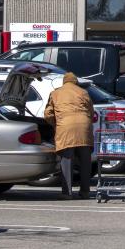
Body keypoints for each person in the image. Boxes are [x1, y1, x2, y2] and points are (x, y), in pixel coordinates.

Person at [44, 72, 95, 200]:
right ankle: (85, 192)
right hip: (84, 128)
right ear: (75, 81)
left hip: (66, 129)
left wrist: (55, 123)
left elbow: (48, 114)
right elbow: (91, 111)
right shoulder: (84, 92)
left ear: (64, 82)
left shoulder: (56, 93)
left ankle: (67, 193)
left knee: (67, 161)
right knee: (85, 162)